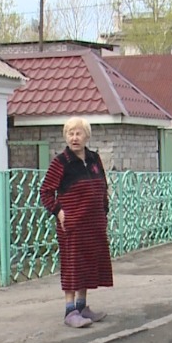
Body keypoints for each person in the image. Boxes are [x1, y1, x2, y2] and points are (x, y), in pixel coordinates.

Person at [39, 117, 114, 328]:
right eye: (70, 133)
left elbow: (103, 187)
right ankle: (70, 311)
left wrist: (104, 211)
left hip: (94, 223)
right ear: (66, 137)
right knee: (73, 266)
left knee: (88, 265)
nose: (74, 138)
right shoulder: (60, 162)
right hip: (72, 224)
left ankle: (82, 307)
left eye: (78, 133)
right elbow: (45, 192)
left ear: (86, 136)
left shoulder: (94, 159)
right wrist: (59, 212)